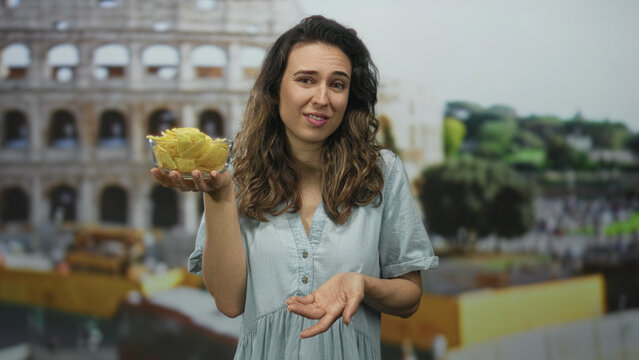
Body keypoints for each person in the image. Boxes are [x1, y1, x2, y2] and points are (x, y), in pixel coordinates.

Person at [151, 15, 438, 360]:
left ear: (350, 96)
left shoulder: (382, 172)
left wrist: (362, 284)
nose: (322, 98)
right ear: (275, 89)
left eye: (337, 84)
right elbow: (229, 302)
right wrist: (219, 196)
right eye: (306, 80)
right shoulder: (236, 175)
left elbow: (410, 297)